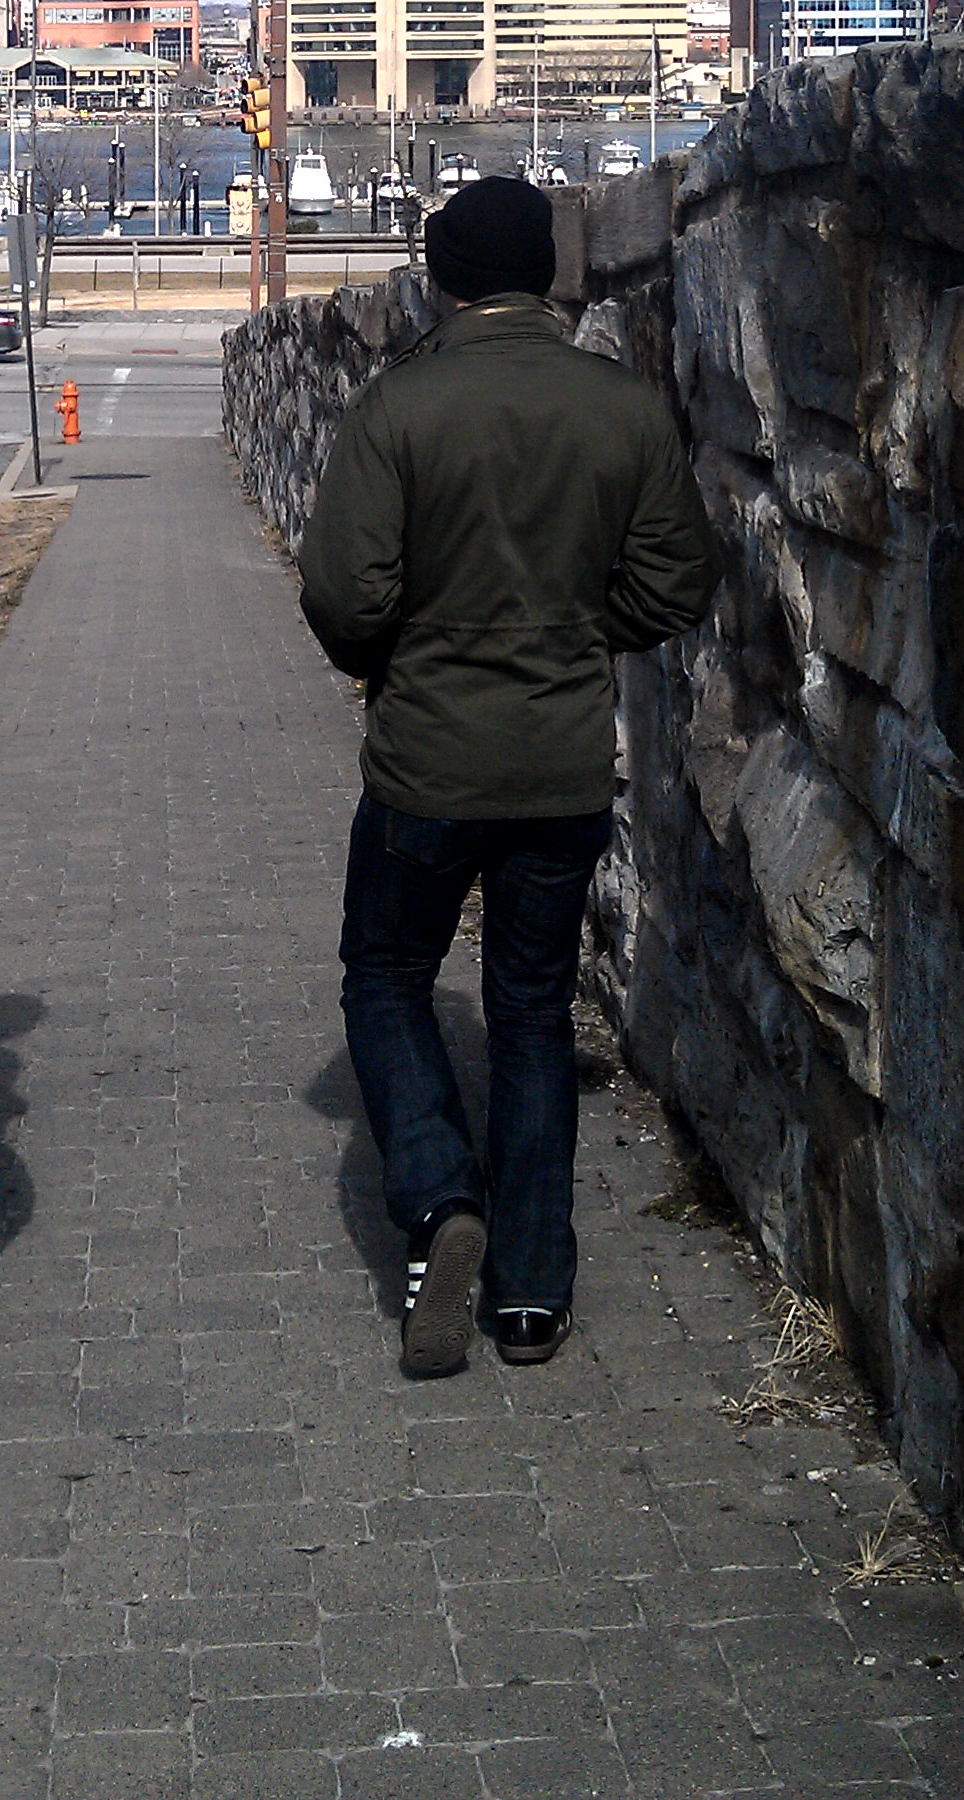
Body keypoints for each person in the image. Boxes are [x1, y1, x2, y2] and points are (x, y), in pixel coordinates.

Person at [297, 175, 716, 1380]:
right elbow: (676, 580)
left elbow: (343, 594)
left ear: (439, 281)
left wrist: (392, 659)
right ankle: (529, 1294)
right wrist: (580, 636)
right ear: (546, 278)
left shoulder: (399, 405)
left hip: (426, 759)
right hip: (559, 765)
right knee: (529, 1011)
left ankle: (438, 1196)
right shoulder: (620, 407)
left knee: (385, 975)